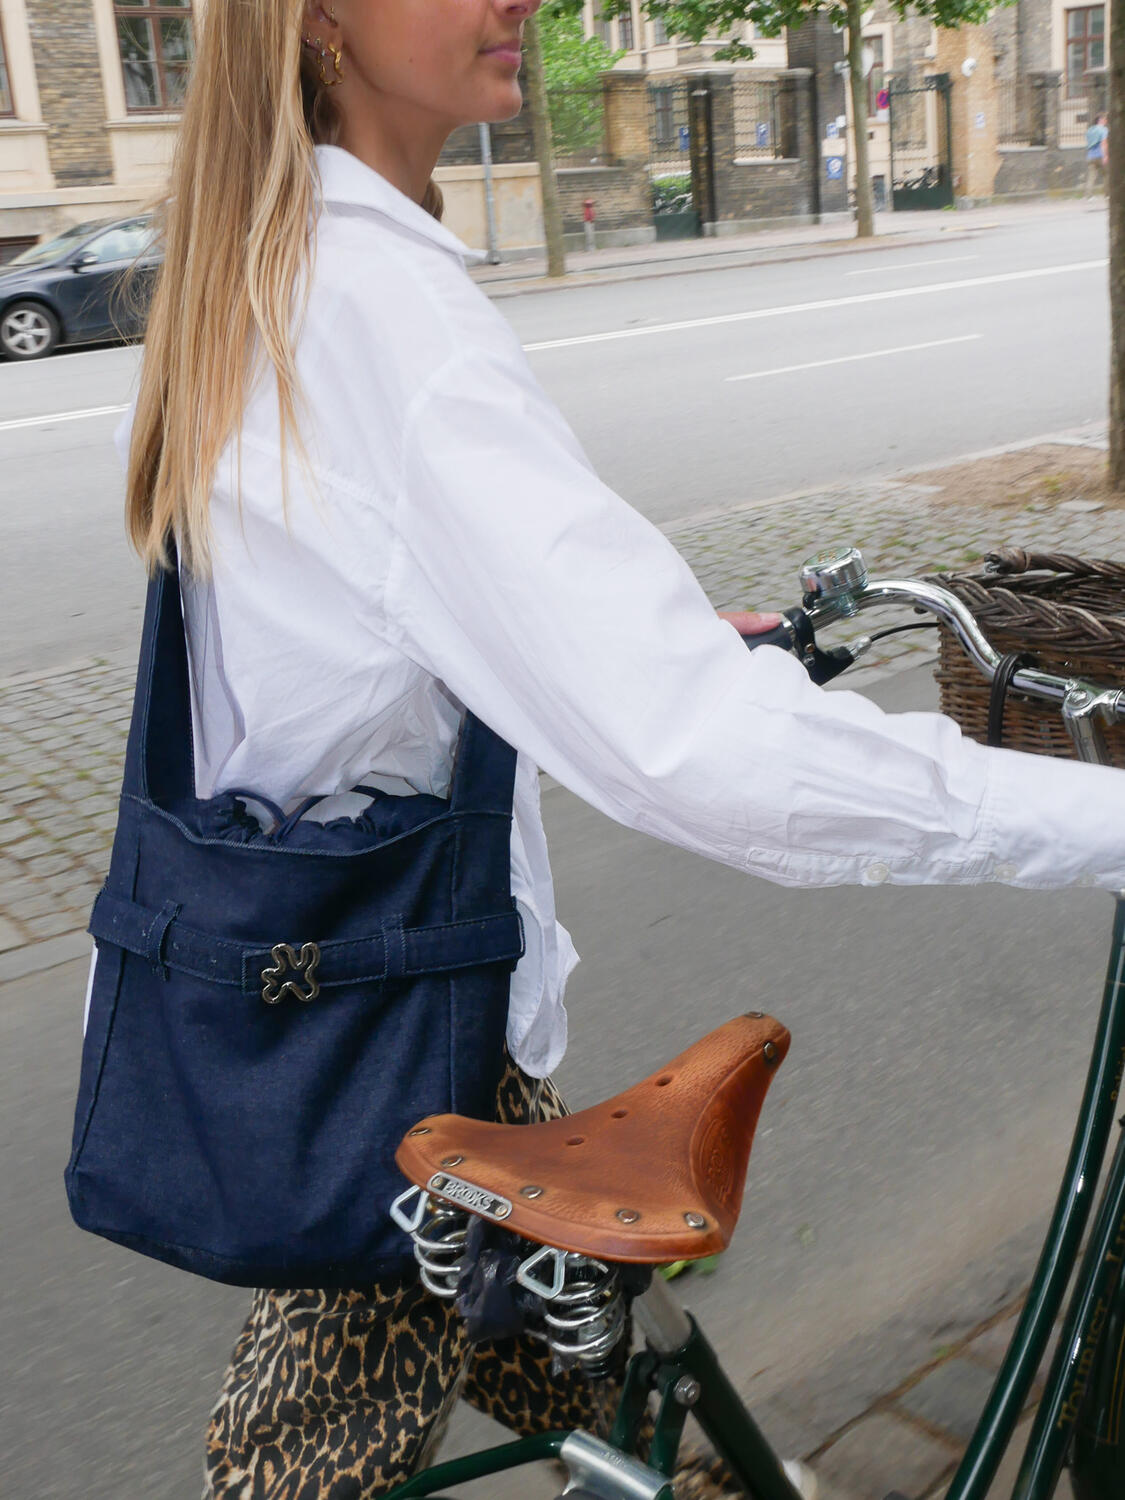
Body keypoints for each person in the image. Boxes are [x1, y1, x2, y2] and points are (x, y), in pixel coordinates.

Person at [116, 1, 1125, 1496]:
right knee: (294, 1468)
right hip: (385, 1061)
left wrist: (576, 651)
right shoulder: (384, 317)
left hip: (306, 1000)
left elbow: (357, 645)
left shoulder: (274, 262)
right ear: (316, 18)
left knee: (615, 1393)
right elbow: (699, 756)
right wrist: (1096, 820)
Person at [1085, 110, 1108, 198]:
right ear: (1100, 120)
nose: (1106, 121)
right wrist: (1105, 155)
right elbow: (1104, 142)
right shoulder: (1103, 129)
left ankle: (1089, 196)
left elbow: (1089, 142)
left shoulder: (1090, 130)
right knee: (1107, 175)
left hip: (1090, 155)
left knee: (1091, 176)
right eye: (1105, 119)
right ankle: (1107, 194)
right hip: (1100, 155)